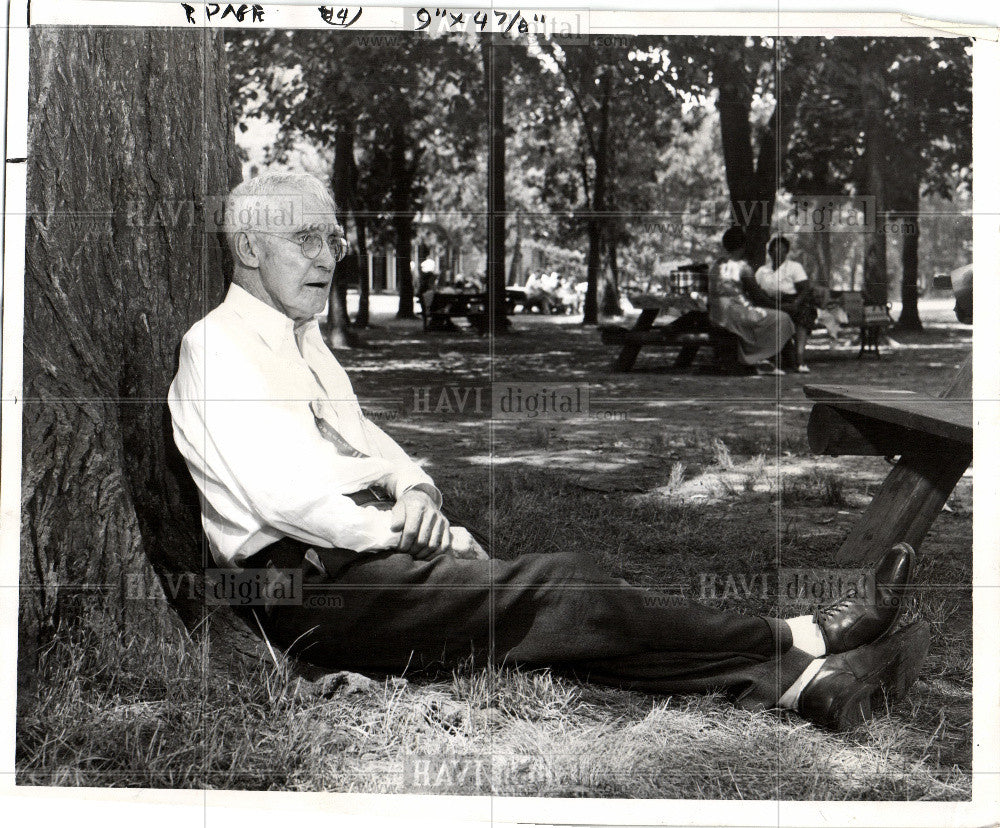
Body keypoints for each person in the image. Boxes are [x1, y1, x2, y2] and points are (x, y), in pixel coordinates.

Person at [168, 172, 931, 732]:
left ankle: (804, 689)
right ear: (245, 246)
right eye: (305, 239)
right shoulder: (217, 346)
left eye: (333, 237)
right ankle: (805, 636)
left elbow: (366, 441)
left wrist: (420, 493)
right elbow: (284, 495)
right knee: (565, 588)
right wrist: (399, 530)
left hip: (362, 554)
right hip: (307, 585)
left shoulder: (303, 342)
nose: (329, 255)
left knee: (561, 623)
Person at [708, 227, 798, 375]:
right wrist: (782, 307)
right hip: (734, 313)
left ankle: (763, 360)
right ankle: (766, 358)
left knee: (764, 316)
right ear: (743, 246)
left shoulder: (715, 265)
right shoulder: (743, 268)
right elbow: (758, 297)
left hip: (717, 313)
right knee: (782, 318)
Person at [754, 236, 818, 373]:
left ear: (786, 252)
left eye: (782, 251)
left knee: (803, 313)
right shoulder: (762, 271)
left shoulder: (794, 267)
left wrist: (795, 303)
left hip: (793, 301)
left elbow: (805, 289)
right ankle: (770, 358)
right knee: (769, 317)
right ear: (770, 252)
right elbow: (757, 293)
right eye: (774, 250)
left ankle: (800, 358)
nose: (778, 254)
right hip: (770, 303)